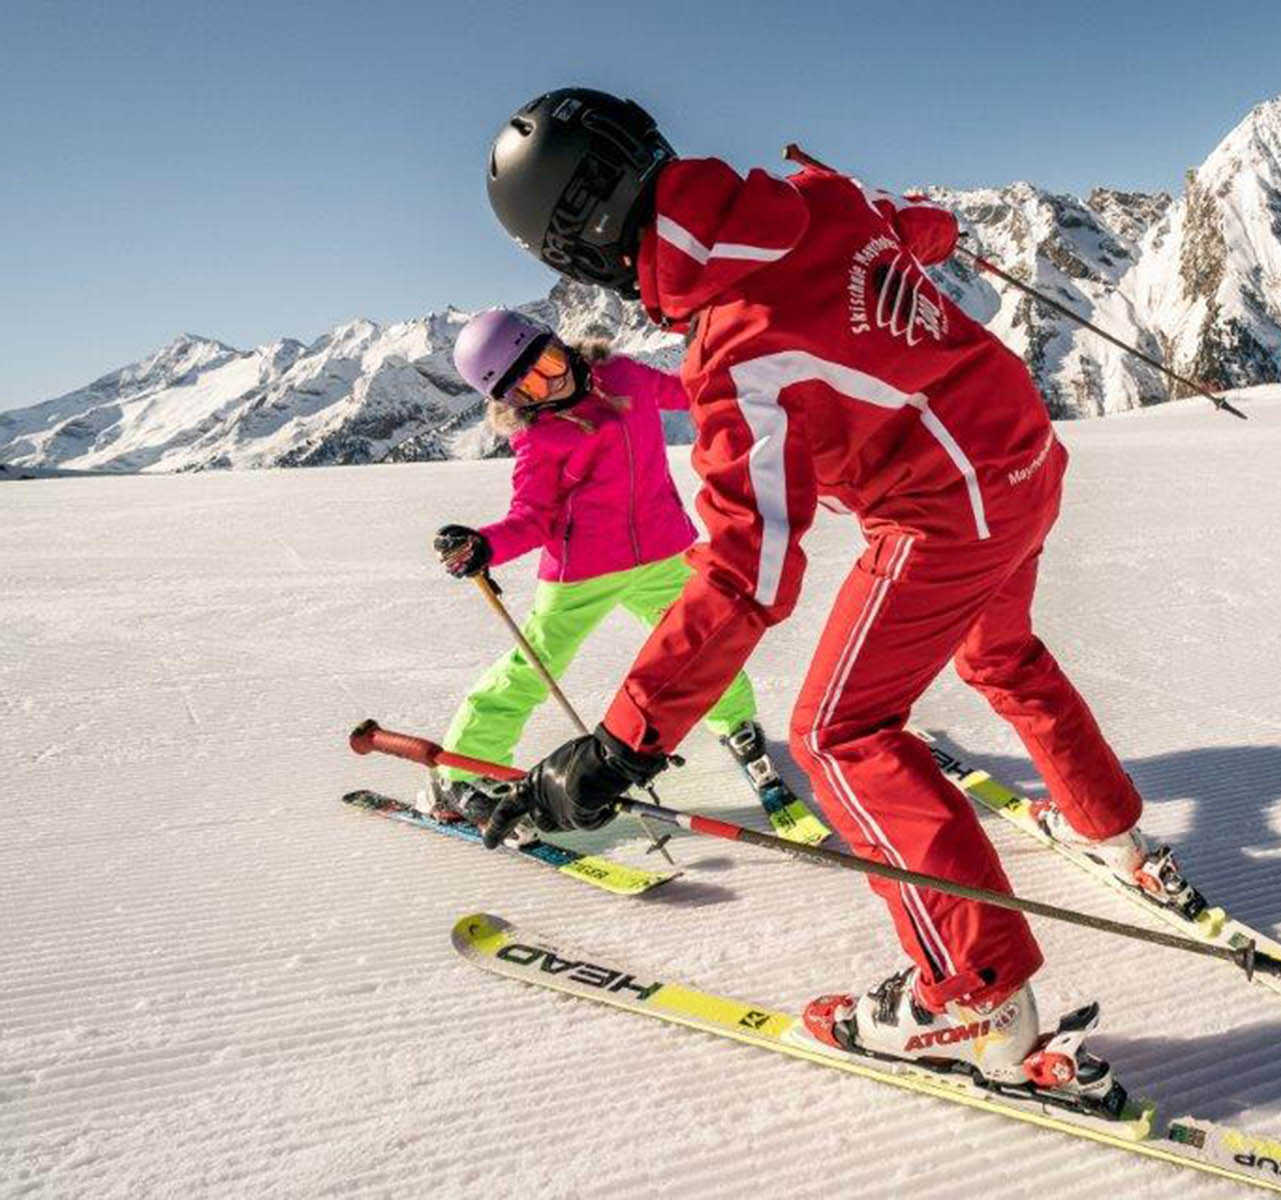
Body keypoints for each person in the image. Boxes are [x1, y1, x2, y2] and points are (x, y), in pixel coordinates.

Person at [474, 88, 1200, 1107]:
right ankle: (1111, 830)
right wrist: (930, 233)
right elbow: (911, 226)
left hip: (950, 510)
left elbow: (746, 573)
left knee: (839, 733)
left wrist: (625, 742)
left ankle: (974, 997)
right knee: (1000, 655)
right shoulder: (809, 192)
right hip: (1027, 458)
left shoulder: (733, 349)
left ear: (577, 246)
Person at [427, 307, 819, 843]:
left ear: (558, 342)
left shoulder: (624, 377)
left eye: (546, 361)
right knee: (534, 665)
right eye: (527, 389)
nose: (552, 381)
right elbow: (533, 517)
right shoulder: (539, 439)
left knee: (706, 645)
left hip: (665, 553)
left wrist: (739, 368)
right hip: (581, 573)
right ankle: (463, 770)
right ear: (511, 404)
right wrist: (486, 544)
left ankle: (737, 728)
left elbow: (691, 393)